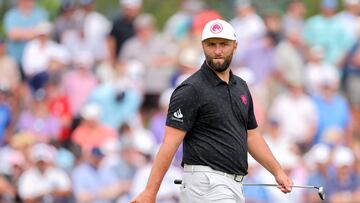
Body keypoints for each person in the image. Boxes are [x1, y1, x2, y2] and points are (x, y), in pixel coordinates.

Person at [131, 19, 293, 203]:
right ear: (203, 46)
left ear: (235, 46)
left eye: (223, 44)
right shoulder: (191, 89)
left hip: (233, 185)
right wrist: (150, 192)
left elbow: (252, 136)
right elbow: (169, 144)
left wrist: (277, 171)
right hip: (205, 184)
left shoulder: (241, 86)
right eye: (211, 45)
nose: (217, 51)